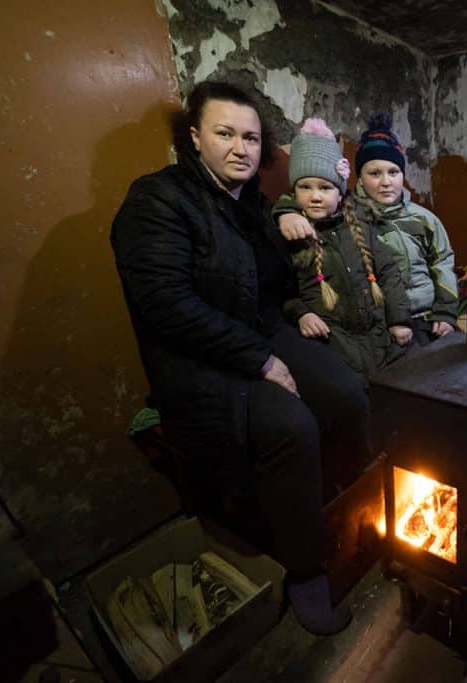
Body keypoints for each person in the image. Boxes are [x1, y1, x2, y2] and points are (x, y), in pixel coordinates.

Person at [110, 81, 363, 636]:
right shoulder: (157, 200)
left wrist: (295, 305)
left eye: (250, 137)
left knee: (347, 392)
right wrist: (263, 362)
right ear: (195, 137)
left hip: (259, 332)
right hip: (195, 360)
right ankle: (304, 568)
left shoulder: (254, 207)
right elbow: (165, 305)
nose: (240, 148)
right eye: (224, 133)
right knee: (290, 426)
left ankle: (338, 508)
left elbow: (274, 286)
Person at [279, 112, 458, 346]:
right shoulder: (351, 214)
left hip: (425, 314)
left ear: (403, 175)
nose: (385, 182)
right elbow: (310, 198)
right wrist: (286, 212)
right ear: (359, 178)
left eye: (393, 172)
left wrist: (445, 312)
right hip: (381, 320)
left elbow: (442, 262)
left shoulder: (424, 219)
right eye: (374, 173)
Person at [277, 118, 414, 376]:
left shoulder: (360, 225)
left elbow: (388, 272)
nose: (315, 196)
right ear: (293, 192)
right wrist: (301, 315)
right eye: (305, 187)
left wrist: (399, 320)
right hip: (333, 342)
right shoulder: (292, 234)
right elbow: (282, 291)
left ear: (340, 193)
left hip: (379, 334)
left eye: (325, 187)